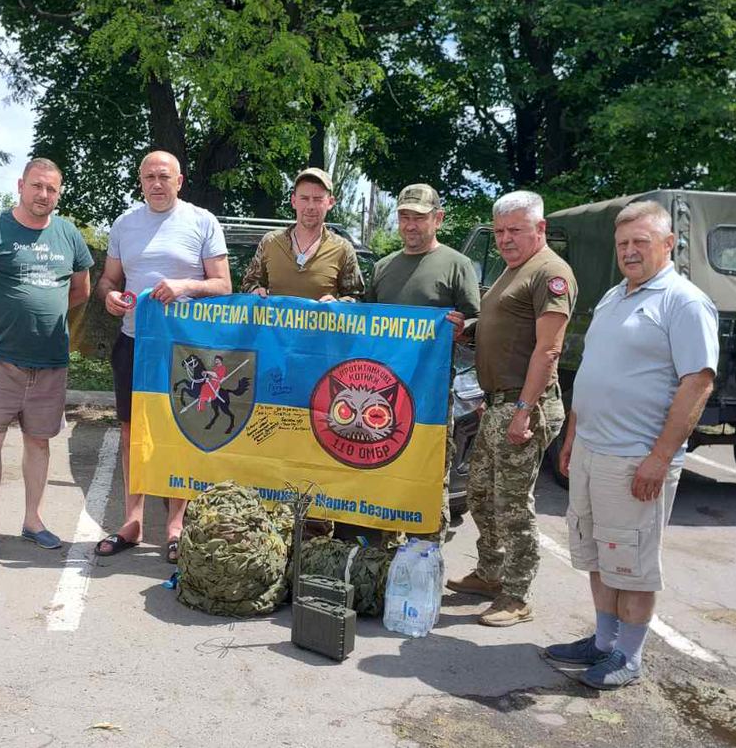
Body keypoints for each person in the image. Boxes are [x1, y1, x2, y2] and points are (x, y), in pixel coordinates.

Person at [545, 201, 717, 689]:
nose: (629, 251)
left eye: (641, 242)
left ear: (669, 245)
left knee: (633, 564)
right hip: (593, 451)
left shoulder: (683, 301)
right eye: (622, 244)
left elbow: (698, 383)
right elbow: (596, 369)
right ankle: (602, 643)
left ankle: (629, 656)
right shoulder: (613, 297)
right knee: (599, 555)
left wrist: (660, 458)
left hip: (636, 459)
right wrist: (574, 433)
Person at [0, 158, 94, 564]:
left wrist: (42, 317)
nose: (43, 195)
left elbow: (80, 290)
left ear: (59, 192)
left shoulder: (69, 235)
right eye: (36, 186)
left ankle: (33, 521)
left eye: (51, 188)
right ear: (21, 185)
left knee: (39, 441)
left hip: (49, 361)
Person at [446, 190, 576, 627]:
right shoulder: (513, 270)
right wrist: (467, 330)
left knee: (513, 504)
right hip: (498, 403)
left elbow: (549, 350)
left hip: (525, 404)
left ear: (539, 229)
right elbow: (503, 327)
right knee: (480, 496)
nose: (505, 238)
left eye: (515, 230)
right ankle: (490, 572)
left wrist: (523, 409)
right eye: (500, 231)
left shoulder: (551, 273)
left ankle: (517, 595)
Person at [94, 151, 231, 563]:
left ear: (180, 181)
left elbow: (223, 285)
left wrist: (186, 286)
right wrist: (110, 297)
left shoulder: (202, 221)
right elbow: (107, 280)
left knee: (178, 431)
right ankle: (132, 522)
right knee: (132, 432)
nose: (156, 183)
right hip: (134, 340)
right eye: (149, 176)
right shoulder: (124, 224)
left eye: (164, 176)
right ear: (140, 181)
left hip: (185, 348)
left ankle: (175, 525)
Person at [365, 183, 480, 545]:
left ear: (438, 219)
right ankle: (378, 552)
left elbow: (477, 320)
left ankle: (425, 553)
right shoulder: (383, 267)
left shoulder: (457, 265)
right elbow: (363, 322)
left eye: (419, 217)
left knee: (429, 473)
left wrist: (463, 328)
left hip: (431, 395)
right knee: (381, 469)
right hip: (380, 395)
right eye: (404, 217)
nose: (411, 225)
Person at [240, 167, 364, 302]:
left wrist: (339, 304)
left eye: (318, 199)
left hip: (320, 323)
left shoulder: (342, 249)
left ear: (330, 202)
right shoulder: (270, 242)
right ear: (294, 201)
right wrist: (254, 291)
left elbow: (357, 298)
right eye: (304, 198)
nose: (310, 206)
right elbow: (248, 284)